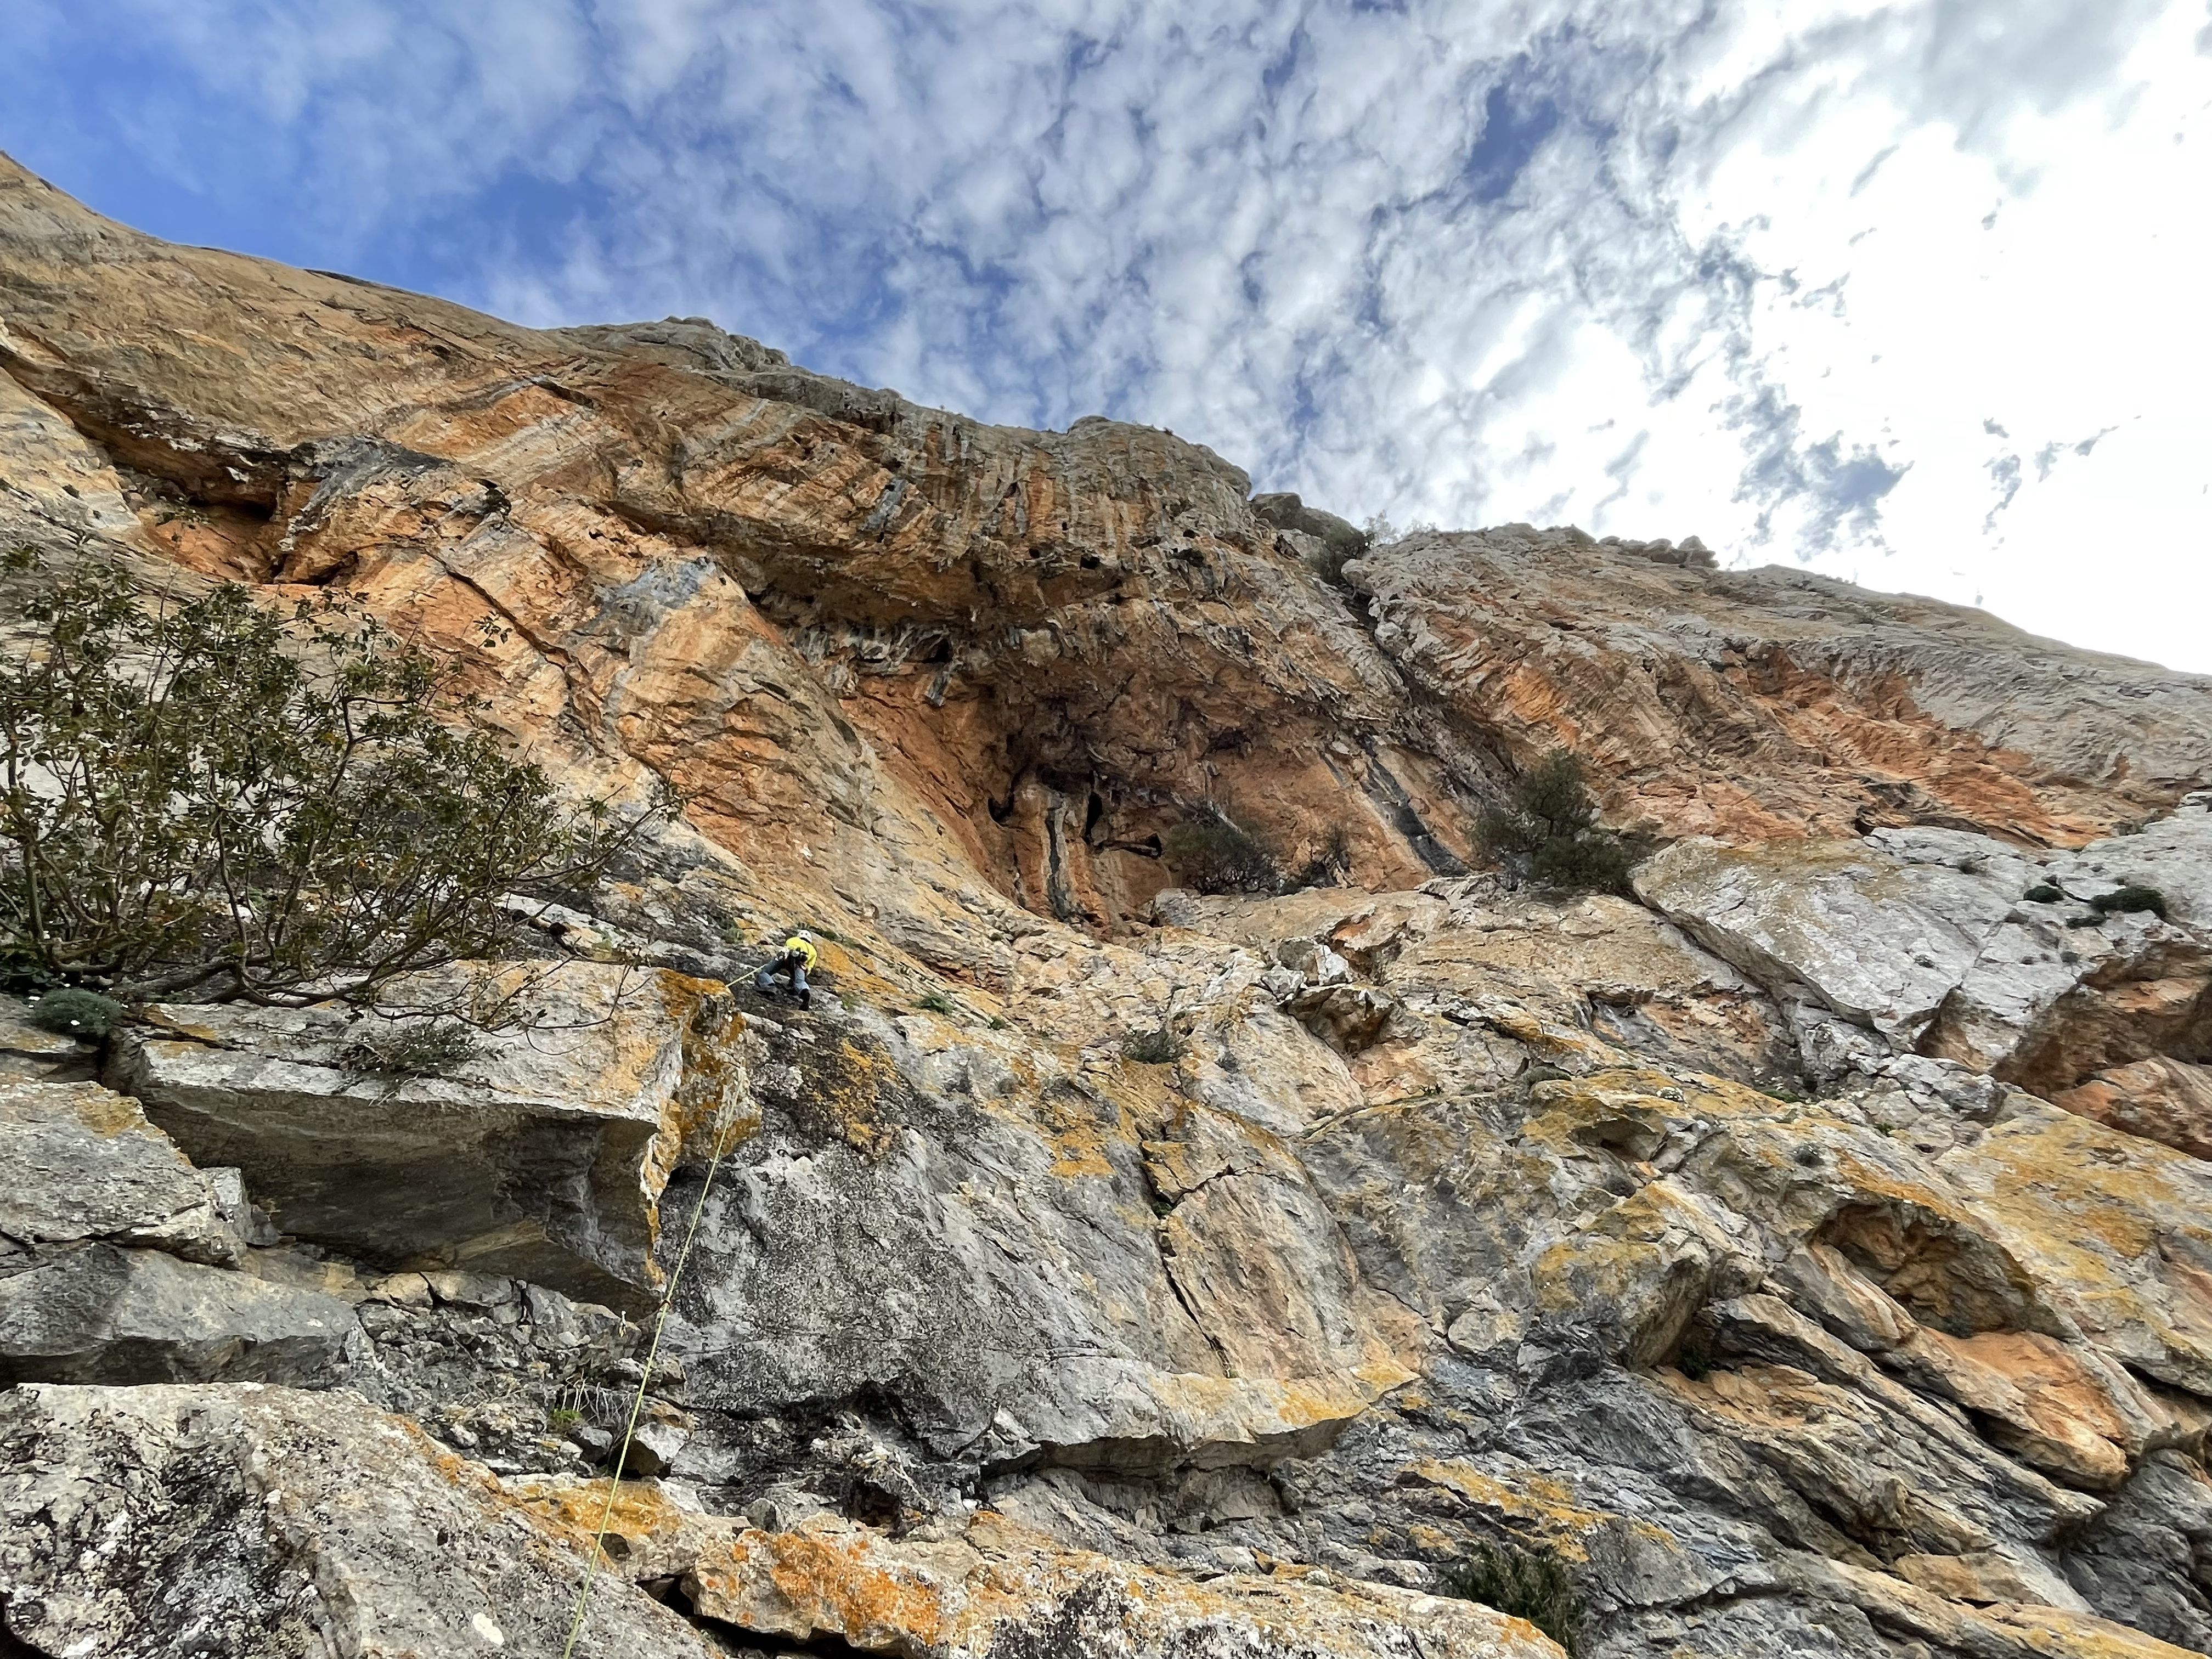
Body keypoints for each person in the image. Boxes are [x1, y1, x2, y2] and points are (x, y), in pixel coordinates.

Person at [756, 930, 819, 1008]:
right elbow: (808, 968)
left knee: (765, 972)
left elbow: (785, 951)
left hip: (786, 959)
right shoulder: (813, 951)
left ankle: (769, 986)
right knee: (800, 982)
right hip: (800, 964)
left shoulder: (792, 940)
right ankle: (805, 991)